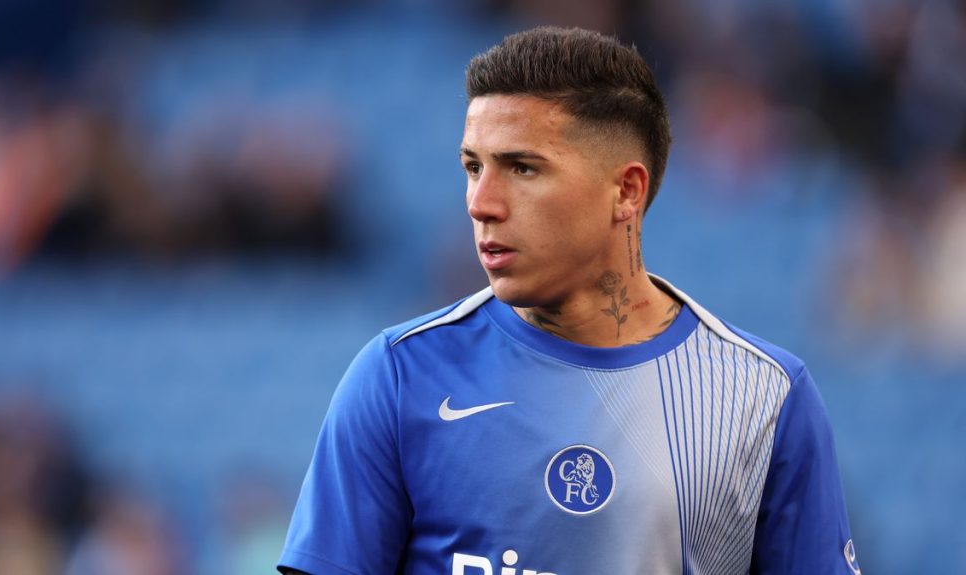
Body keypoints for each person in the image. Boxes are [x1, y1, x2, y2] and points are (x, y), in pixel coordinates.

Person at [277, 27, 859, 575]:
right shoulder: (400, 375)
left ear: (626, 190)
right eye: (474, 167)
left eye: (522, 168)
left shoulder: (763, 398)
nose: (481, 203)